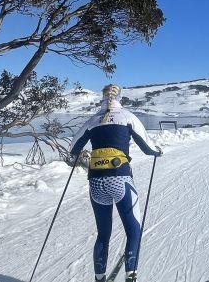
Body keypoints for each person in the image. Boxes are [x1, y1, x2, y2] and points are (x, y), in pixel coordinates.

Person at [68, 84, 162, 282]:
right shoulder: (127, 117)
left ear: (102, 98)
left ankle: (100, 278)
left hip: (96, 183)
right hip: (120, 180)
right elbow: (147, 147)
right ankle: (131, 277)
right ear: (119, 98)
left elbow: (73, 149)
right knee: (133, 231)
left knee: (103, 234)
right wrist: (157, 151)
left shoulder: (92, 120)